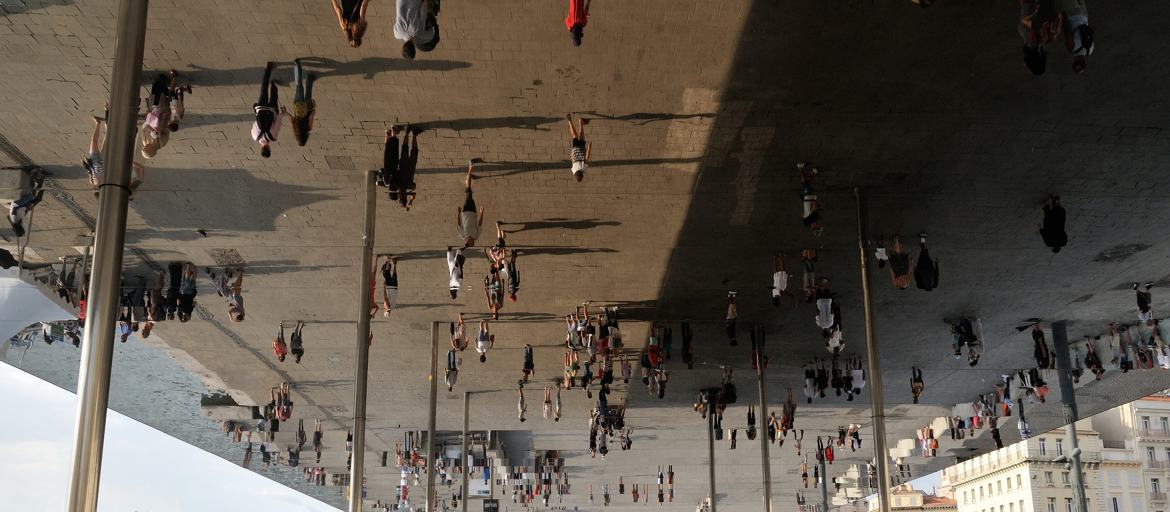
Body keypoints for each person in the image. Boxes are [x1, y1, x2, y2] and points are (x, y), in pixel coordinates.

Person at [251, 61, 284, 158]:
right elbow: (254, 123)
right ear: (261, 149)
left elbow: (278, 121)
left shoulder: (273, 137)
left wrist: (283, 113)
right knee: (263, 90)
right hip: (260, 108)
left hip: (272, 110)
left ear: (269, 149)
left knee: (274, 97)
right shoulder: (254, 136)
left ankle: (273, 85)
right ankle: (267, 70)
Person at [140, 73, 171, 159]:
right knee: (161, 99)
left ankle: (158, 83)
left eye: (143, 148)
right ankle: (163, 82)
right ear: (151, 151)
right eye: (145, 149)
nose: (144, 146)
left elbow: (142, 128)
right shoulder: (162, 143)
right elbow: (167, 131)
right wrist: (160, 130)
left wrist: (147, 122)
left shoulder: (145, 141)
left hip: (151, 117)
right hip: (162, 117)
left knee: (154, 98)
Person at [286, 58, 317, 146]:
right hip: (297, 106)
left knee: (308, 93)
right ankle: (297, 66)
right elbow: (291, 119)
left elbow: (311, 116)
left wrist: (314, 108)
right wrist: (285, 113)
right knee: (298, 85)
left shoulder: (308, 129)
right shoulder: (295, 130)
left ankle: (309, 78)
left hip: (307, 107)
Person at [7, 171, 45, 238]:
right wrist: (29, 208)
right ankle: (42, 180)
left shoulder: (14, 219)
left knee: (32, 196)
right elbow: (24, 213)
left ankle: (33, 175)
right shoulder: (19, 222)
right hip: (23, 205)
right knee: (38, 199)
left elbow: (15, 209)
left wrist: (26, 205)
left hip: (17, 203)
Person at [456, 162, 485, 246]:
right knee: (469, 194)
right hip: (473, 212)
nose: (472, 240)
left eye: (470, 242)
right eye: (473, 242)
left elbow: (458, 224)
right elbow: (479, 224)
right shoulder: (476, 236)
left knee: (469, 192)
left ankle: (470, 169)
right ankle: (468, 181)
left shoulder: (462, 235)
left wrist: (458, 212)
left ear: (467, 242)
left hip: (465, 212)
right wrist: (481, 212)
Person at [797, 162, 823, 235]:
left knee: (805, 183)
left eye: (818, 227)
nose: (818, 225)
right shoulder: (806, 223)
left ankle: (800, 167)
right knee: (807, 184)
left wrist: (816, 201)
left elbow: (814, 206)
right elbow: (802, 214)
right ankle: (813, 173)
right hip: (805, 200)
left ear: (815, 227)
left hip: (811, 197)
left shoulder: (815, 218)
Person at [82, 116, 106, 190]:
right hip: (103, 159)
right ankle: (108, 126)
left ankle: (98, 123)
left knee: (93, 141)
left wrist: (86, 164)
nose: (94, 188)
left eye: (94, 188)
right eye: (96, 189)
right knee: (106, 141)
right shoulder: (104, 182)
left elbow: (90, 171)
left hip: (94, 159)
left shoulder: (92, 181)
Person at [566, 113, 591, 181]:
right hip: (575, 151)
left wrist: (589, 147)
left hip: (581, 150)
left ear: (582, 175)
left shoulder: (584, 169)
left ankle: (581, 122)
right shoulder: (574, 171)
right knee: (575, 136)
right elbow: (573, 162)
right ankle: (570, 122)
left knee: (581, 138)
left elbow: (587, 157)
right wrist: (571, 156)